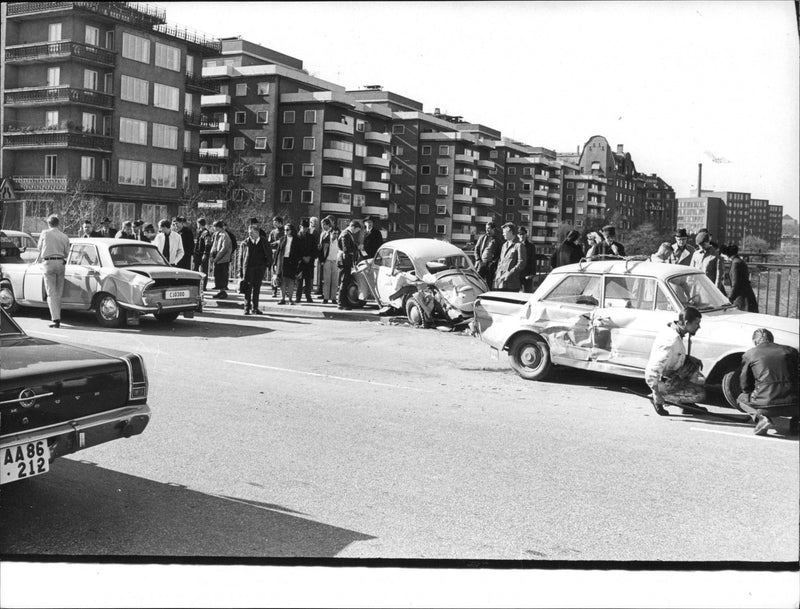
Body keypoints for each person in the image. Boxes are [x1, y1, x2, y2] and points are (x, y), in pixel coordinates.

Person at [644, 306, 707, 416]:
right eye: (696, 324)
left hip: (672, 373)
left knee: (692, 365)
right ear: (686, 323)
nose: (699, 327)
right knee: (700, 394)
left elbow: (674, 354)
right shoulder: (670, 340)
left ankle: (686, 405)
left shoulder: (674, 331)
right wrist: (656, 392)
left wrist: (687, 357)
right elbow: (653, 369)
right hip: (663, 380)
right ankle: (658, 397)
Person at [737, 329, 799, 436]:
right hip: (795, 405)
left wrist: (752, 392)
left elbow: (745, 384)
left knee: (741, 399)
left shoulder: (750, 354)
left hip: (766, 407)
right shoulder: (791, 351)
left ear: (755, 342)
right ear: (772, 340)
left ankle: (761, 418)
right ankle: (796, 423)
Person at [37, 214, 70, 329]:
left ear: (48, 223)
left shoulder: (45, 233)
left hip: (48, 263)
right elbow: (67, 253)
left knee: (51, 293)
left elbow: (39, 248)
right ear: (58, 224)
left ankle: (56, 319)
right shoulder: (64, 236)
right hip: (61, 263)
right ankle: (58, 316)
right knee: (59, 292)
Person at [238, 223, 272, 315]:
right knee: (247, 289)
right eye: (249, 232)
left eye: (252, 233)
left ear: (257, 232)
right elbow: (240, 258)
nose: (250, 234)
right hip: (248, 268)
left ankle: (255, 308)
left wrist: (267, 265)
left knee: (257, 289)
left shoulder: (264, 242)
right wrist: (240, 271)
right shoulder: (245, 243)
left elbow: (269, 254)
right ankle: (246, 308)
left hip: (260, 268)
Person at [719, 244, 758, 312]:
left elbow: (736, 284)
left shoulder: (735, 264)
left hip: (742, 299)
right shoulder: (739, 261)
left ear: (726, 255)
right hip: (747, 296)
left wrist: (730, 299)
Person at [493, 222, 527, 292]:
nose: (503, 234)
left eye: (504, 232)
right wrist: (497, 275)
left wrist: (509, 274)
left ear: (510, 232)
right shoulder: (504, 245)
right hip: (500, 282)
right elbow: (500, 261)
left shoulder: (519, 246)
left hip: (512, 284)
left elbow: (521, 264)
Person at [336, 219, 362, 309]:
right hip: (344, 261)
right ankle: (341, 303)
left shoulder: (348, 234)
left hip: (345, 260)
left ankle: (342, 302)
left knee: (345, 281)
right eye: (356, 230)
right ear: (353, 227)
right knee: (344, 281)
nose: (356, 232)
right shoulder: (346, 234)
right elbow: (346, 249)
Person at [691, 231, 725, 295]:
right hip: (696, 289)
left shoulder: (715, 256)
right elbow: (690, 271)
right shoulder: (696, 254)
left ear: (708, 242)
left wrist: (716, 292)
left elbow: (718, 277)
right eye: (699, 245)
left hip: (709, 290)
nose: (701, 247)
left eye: (703, 245)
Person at [274, 223, 301, 305]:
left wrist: (298, 265)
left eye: (287, 230)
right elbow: (278, 252)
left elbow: (298, 253)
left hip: (292, 262)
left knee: (290, 281)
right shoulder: (282, 239)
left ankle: (290, 299)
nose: (285, 231)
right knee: (282, 281)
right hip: (282, 261)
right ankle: (282, 298)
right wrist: (275, 263)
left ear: (291, 230)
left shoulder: (296, 240)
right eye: (285, 230)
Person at [474, 222, 502, 288]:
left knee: (489, 282)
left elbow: (500, 254)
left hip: (491, 264)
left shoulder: (498, 240)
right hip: (482, 262)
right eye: (486, 228)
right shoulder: (482, 238)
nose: (487, 230)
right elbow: (476, 249)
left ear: (493, 229)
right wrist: (478, 260)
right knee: (478, 281)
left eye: (489, 228)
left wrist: (494, 262)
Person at [209, 220, 232, 299]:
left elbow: (224, 249)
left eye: (215, 227)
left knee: (223, 276)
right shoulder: (216, 234)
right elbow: (214, 246)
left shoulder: (225, 235)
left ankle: (223, 291)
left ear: (218, 227)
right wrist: (211, 255)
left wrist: (216, 258)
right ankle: (220, 291)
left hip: (223, 259)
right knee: (217, 275)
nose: (214, 228)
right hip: (217, 259)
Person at [319, 221, 340, 304]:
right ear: (331, 233)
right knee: (327, 280)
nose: (336, 235)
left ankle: (333, 298)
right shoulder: (326, 240)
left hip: (335, 262)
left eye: (337, 234)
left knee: (334, 281)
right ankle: (326, 297)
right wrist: (322, 260)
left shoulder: (339, 241)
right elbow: (321, 250)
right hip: (327, 261)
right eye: (334, 233)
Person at [295, 219, 315, 304]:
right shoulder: (296, 237)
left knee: (308, 280)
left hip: (309, 262)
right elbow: (295, 250)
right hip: (300, 261)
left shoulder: (311, 237)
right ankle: (298, 297)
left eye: (307, 228)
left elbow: (314, 249)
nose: (305, 229)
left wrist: (310, 257)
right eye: (304, 227)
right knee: (299, 280)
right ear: (300, 227)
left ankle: (308, 296)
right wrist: (302, 257)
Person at [268, 216, 285, 297]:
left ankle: (284, 289)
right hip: (274, 253)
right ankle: (274, 290)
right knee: (274, 272)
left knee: (282, 272)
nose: (274, 224)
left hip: (283, 254)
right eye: (273, 222)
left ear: (280, 223)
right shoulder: (272, 232)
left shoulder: (285, 231)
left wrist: (280, 242)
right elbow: (269, 243)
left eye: (276, 222)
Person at [193, 218, 212, 289]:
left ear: (199, 224)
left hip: (202, 253)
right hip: (198, 253)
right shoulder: (200, 232)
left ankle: (203, 286)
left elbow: (208, 244)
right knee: (195, 269)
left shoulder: (206, 233)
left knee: (204, 270)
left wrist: (205, 253)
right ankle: (196, 284)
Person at [517, 226, 537, 292]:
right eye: (520, 234)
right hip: (517, 273)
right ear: (518, 235)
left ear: (526, 235)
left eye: (523, 234)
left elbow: (533, 260)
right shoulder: (515, 245)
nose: (522, 236)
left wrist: (532, 273)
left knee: (527, 292)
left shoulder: (531, 246)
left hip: (527, 273)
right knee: (516, 293)